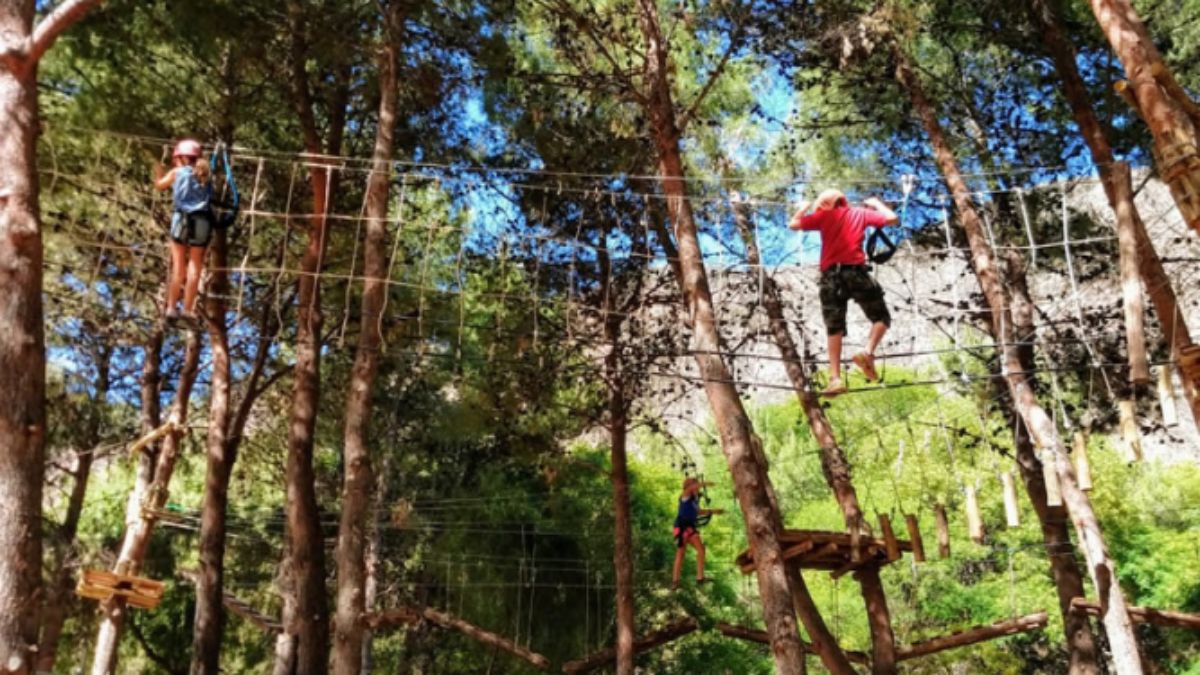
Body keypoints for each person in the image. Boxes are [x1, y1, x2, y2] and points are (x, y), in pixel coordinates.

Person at [789, 189, 899, 397]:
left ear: (824, 205)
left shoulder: (823, 216)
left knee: (834, 328)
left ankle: (835, 379)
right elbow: (892, 219)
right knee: (881, 317)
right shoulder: (859, 213)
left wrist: (803, 208)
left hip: (830, 276)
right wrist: (876, 204)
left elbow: (794, 224)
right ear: (843, 201)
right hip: (855, 272)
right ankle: (867, 353)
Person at [154, 139, 213, 325]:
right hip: (202, 221)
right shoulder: (205, 175)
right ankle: (188, 309)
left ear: (180, 158)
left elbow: (159, 185)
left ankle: (171, 308)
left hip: (182, 219)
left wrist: (158, 172)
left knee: (178, 265)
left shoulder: (177, 172)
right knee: (195, 267)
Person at [671, 477, 721, 590]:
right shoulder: (685, 495)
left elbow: (698, 512)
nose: (698, 488)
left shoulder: (693, 500)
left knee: (701, 549)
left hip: (690, 527)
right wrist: (705, 483)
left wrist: (714, 511)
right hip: (681, 527)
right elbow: (692, 487)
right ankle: (675, 581)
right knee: (681, 553)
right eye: (696, 485)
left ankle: (700, 578)